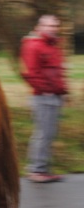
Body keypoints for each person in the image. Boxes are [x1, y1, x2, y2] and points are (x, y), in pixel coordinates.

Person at [20, 14, 68, 183]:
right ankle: (36, 170)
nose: (53, 29)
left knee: (49, 134)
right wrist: (45, 90)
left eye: (55, 26)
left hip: (55, 96)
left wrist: (62, 91)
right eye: (49, 26)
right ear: (40, 27)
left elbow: (57, 71)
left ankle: (43, 169)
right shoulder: (34, 45)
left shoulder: (53, 45)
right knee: (42, 134)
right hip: (43, 97)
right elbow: (29, 73)